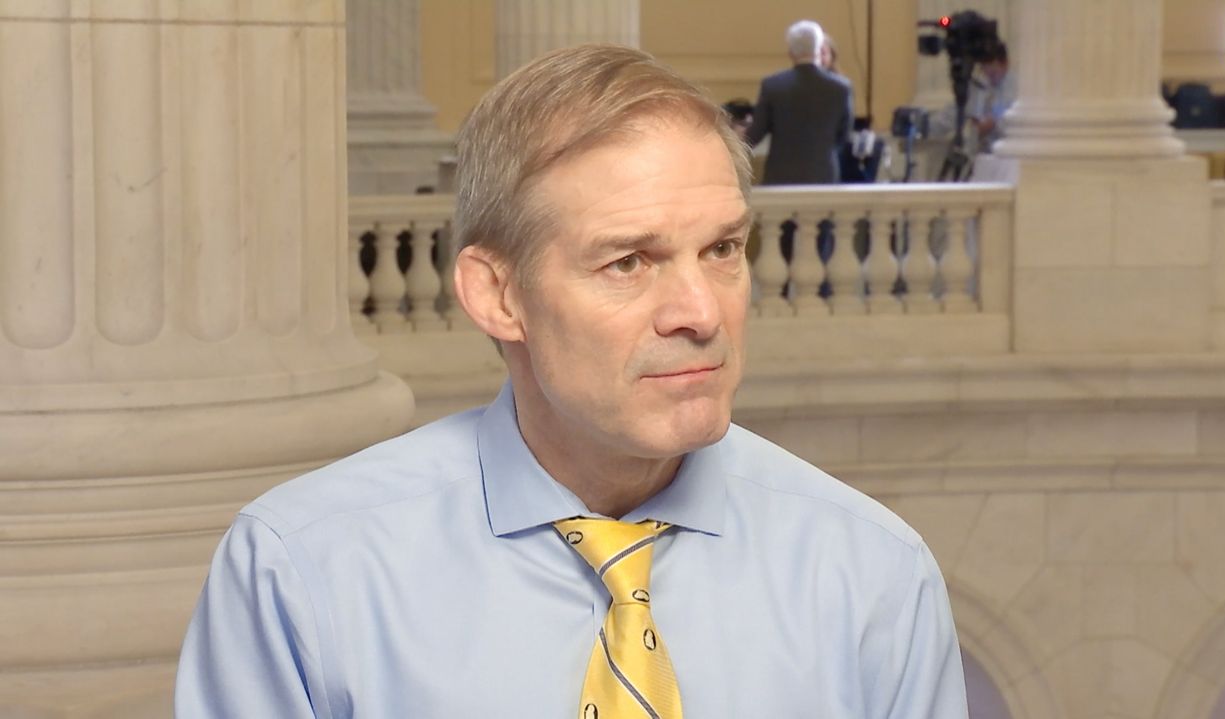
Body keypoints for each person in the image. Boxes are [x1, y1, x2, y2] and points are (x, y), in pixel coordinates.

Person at [174, 44, 968, 717]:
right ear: (498, 295)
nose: (701, 312)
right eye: (628, 261)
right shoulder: (302, 575)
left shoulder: (874, 577)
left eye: (723, 249)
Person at [745, 20, 853, 185]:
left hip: (781, 178)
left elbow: (755, 134)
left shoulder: (772, 85)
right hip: (824, 176)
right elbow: (842, 136)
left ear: (790, 52)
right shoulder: (841, 88)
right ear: (818, 49)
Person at [966, 42, 1015, 154]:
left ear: (1005, 64)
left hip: (1007, 152)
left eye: (993, 73)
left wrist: (992, 123)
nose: (990, 78)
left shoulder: (1015, 89)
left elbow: (1007, 117)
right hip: (984, 152)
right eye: (985, 72)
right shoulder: (981, 86)